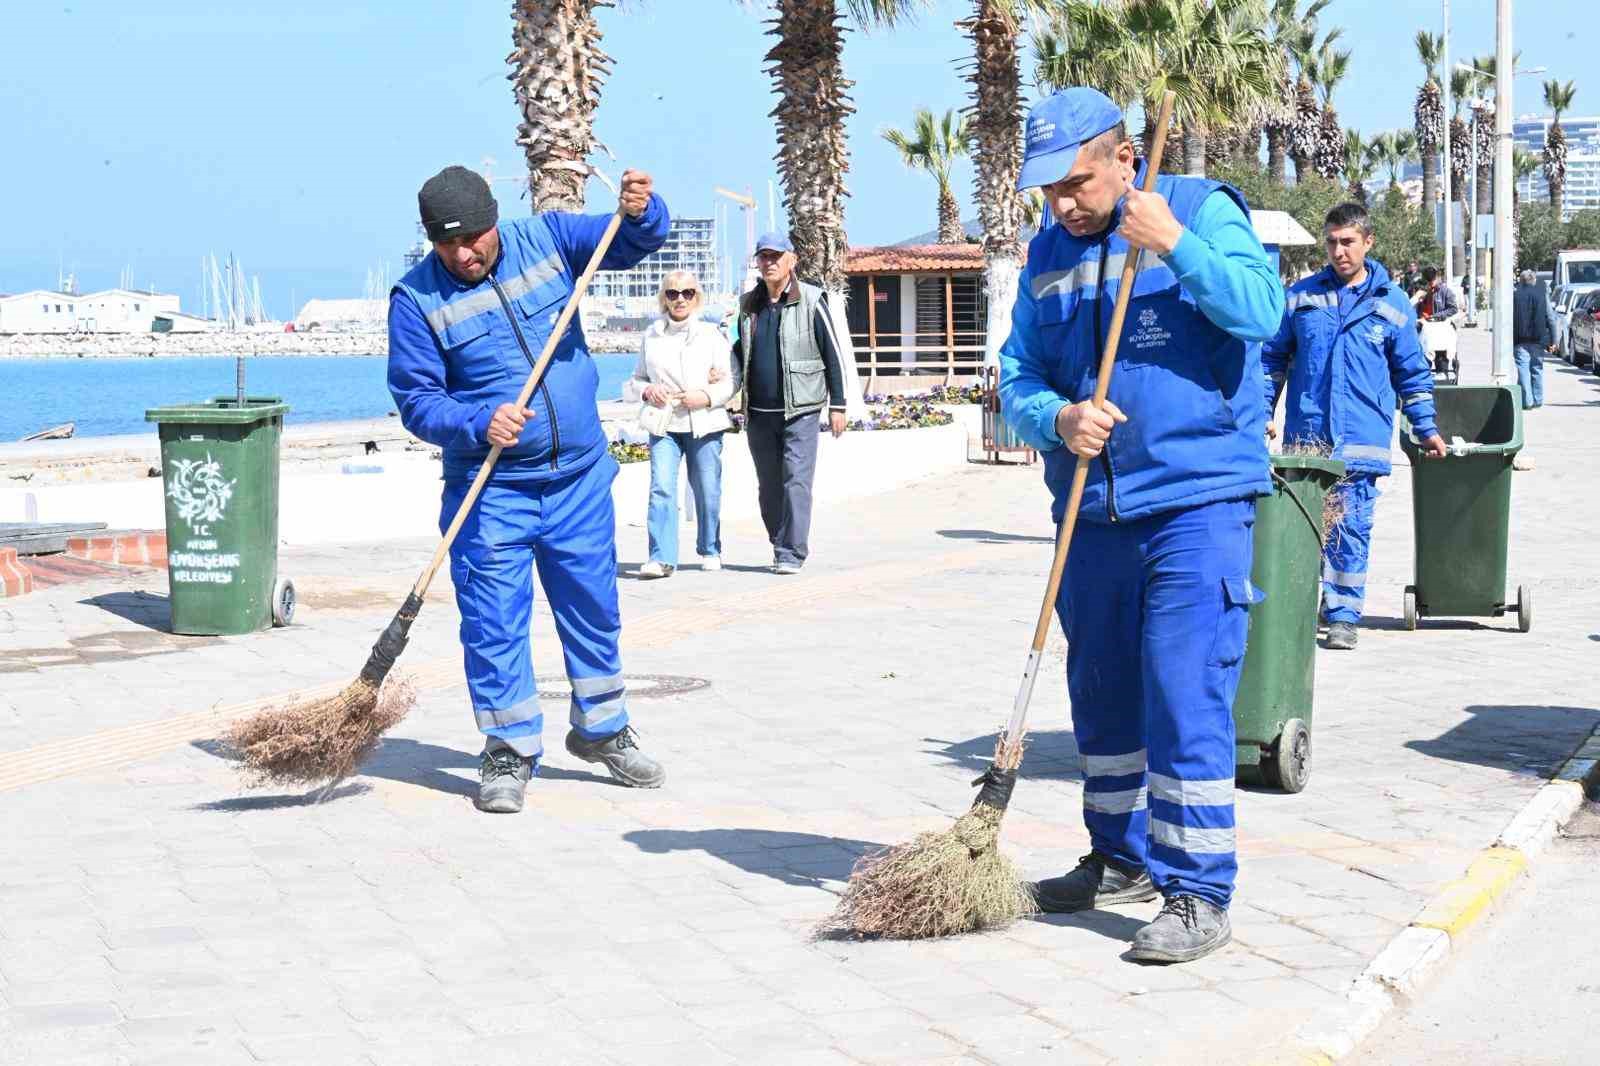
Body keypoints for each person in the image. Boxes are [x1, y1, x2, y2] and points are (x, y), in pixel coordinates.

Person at [999, 87, 1284, 964]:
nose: (1063, 204)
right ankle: (1119, 857)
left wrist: (1175, 245)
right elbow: (1017, 374)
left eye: (1077, 183)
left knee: (1180, 687)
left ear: (1126, 161)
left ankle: (1197, 889)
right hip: (1090, 509)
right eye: (1048, 191)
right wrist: (1057, 419)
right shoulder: (1046, 255)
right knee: (1103, 694)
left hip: (1196, 503)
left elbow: (1261, 313)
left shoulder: (1200, 209)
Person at [388, 165, 670, 813]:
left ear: (494, 221)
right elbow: (417, 401)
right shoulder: (416, 298)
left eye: (474, 239)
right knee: (492, 625)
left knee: (594, 609)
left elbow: (627, 241)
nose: (463, 255)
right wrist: (476, 421)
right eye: (446, 245)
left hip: (578, 480)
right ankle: (508, 748)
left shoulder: (547, 239)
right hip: (490, 492)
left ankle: (602, 729)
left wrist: (641, 209)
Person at [1265, 203, 1448, 651]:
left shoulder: (1392, 303)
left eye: (1347, 241)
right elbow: (1271, 359)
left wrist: (1425, 426)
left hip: (1362, 440)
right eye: (1331, 242)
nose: (1338, 250)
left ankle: (1344, 613)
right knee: (1306, 527)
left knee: (1350, 528)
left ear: (1368, 242)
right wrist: (1261, 412)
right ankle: (1305, 605)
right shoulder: (1301, 296)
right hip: (1308, 440)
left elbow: (1412, 371)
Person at [733, 232, 848, 575]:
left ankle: (791, 552)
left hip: (801, 409)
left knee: (796, 479)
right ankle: (779, 540)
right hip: (759, 413)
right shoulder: (747, 305)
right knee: (768, 486)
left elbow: (833, 353)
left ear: (791, 260)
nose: (768, 262)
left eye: (775, 256)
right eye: (763, 257)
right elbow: (740, 353)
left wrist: (838, 405)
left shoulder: (812, 300)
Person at [621, 270, 735, 577]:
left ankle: (710, 548)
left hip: (704, 423)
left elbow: (729, 382)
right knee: (661, 489)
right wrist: (647, 390)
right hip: (664, 424)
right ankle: (661, 556)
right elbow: (635, 380)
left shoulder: (712, 335)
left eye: (687, 293)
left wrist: (706, 396)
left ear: (696, 297)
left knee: (707, 489)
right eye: (673, 293)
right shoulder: (652, 334)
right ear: (664, 299)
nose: (680, 299)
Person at [1512, 267, 1555, 410]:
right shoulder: (1542, 295)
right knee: (1537, 368)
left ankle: (1527, 401)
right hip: (1538, 339)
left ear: (1521, 281)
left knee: (1523, 369)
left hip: (1520, 339)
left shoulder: (1515, 296)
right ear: (1534, 281)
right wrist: (1553, 340)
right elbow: (1550, 318)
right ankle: (1538, 399)